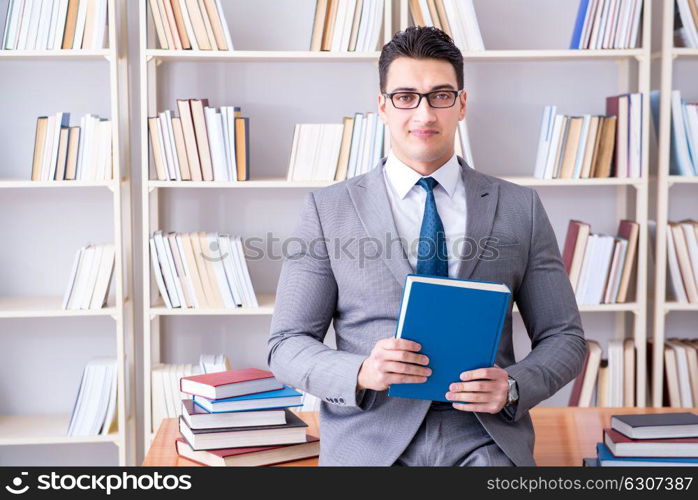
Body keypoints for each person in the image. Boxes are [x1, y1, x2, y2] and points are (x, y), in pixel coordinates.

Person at [267, 26, 586, 466]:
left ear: (462, 104)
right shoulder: (328, 209)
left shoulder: (520, 207)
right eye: (405, 97)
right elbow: (286, 343)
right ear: (382, 106)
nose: (424, 114)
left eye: (440, 95)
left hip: (484, 438)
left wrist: (512, 386)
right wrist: (360, 371)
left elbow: (565, 337)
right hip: (370, 438)